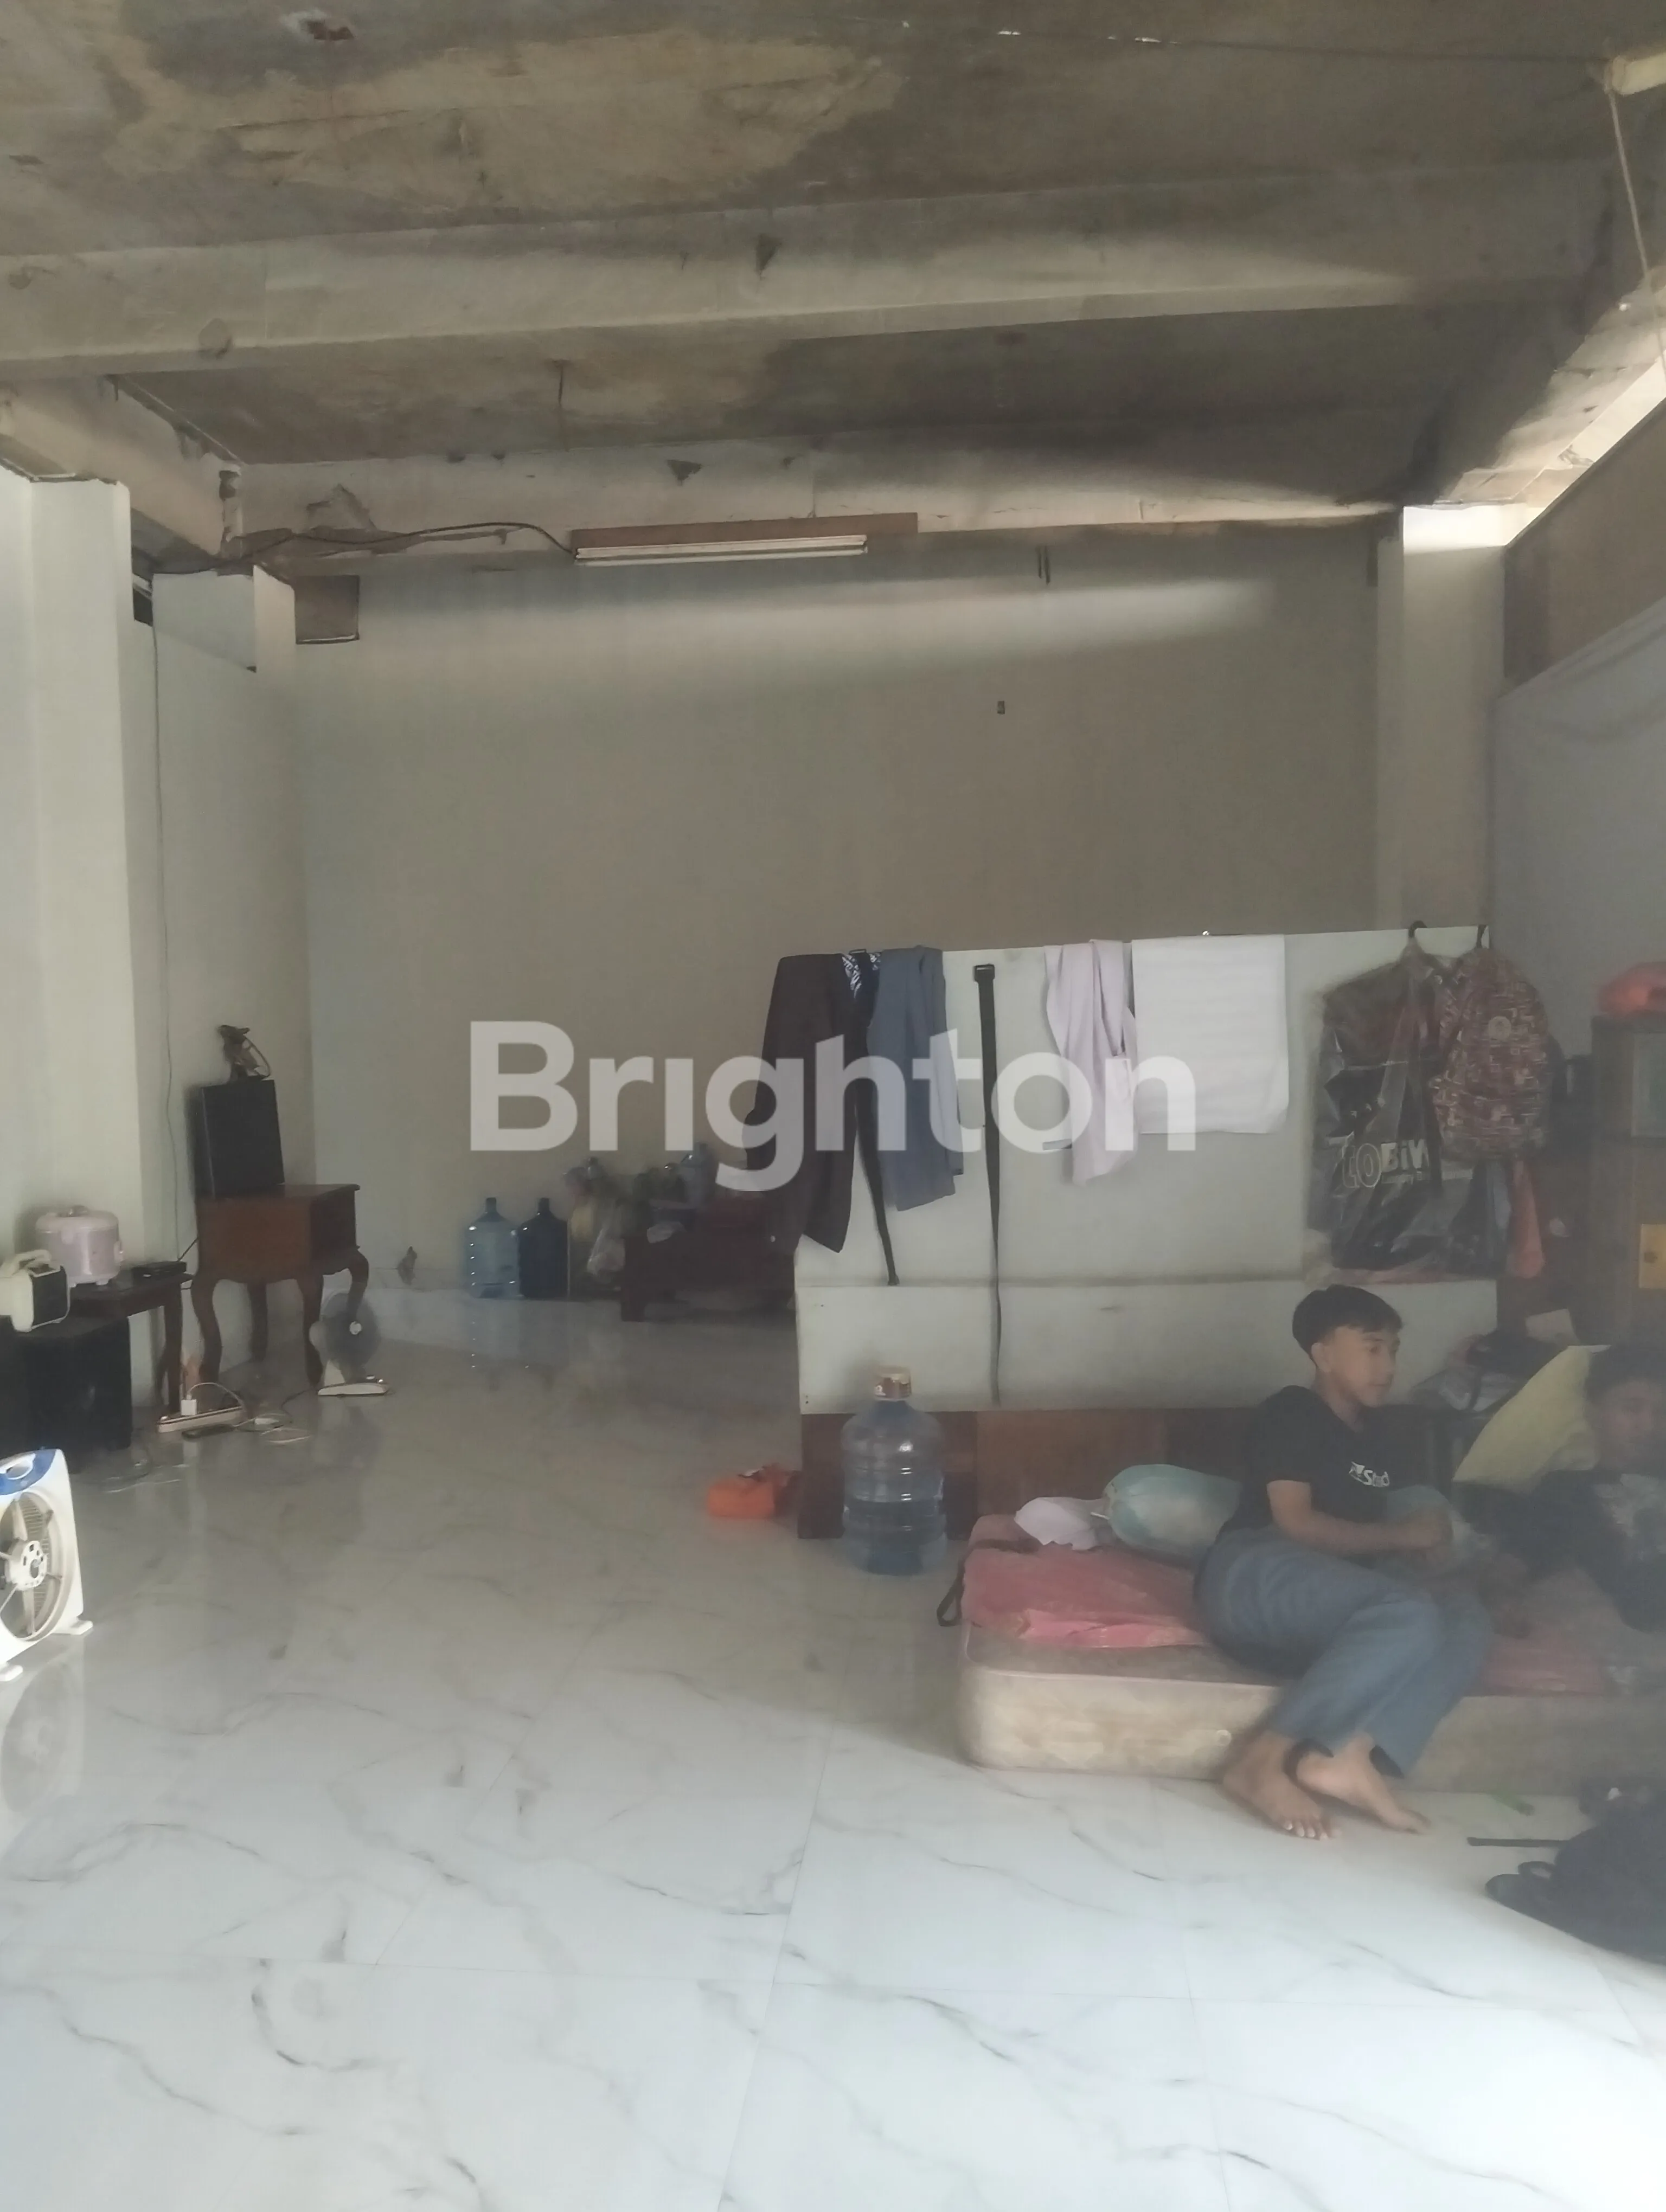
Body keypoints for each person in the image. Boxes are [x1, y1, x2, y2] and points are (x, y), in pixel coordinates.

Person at [1196, 1285, 1492, 1841]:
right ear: (1324, 1354)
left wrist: (1424, 1542)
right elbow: (1296, 1522)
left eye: (1394, 1350)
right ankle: (1260, 1763)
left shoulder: (1380, 1436)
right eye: (1372, 1348)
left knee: (1464, 1616)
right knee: (1405, 1611)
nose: (1388, 1366)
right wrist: (1401, 1535)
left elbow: (1402, 1522)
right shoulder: (1292, 1412)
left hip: (1338, 1601)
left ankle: (1347, 1752)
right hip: (1255, 1573)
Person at [1470, 1343, 1666, 1634]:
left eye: (1661, 1411)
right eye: (1632, 1408)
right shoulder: (1564, 1491)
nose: (1649, 1425)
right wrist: (1501, 1599)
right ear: (1593, 1412)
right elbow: (1509, 1567)